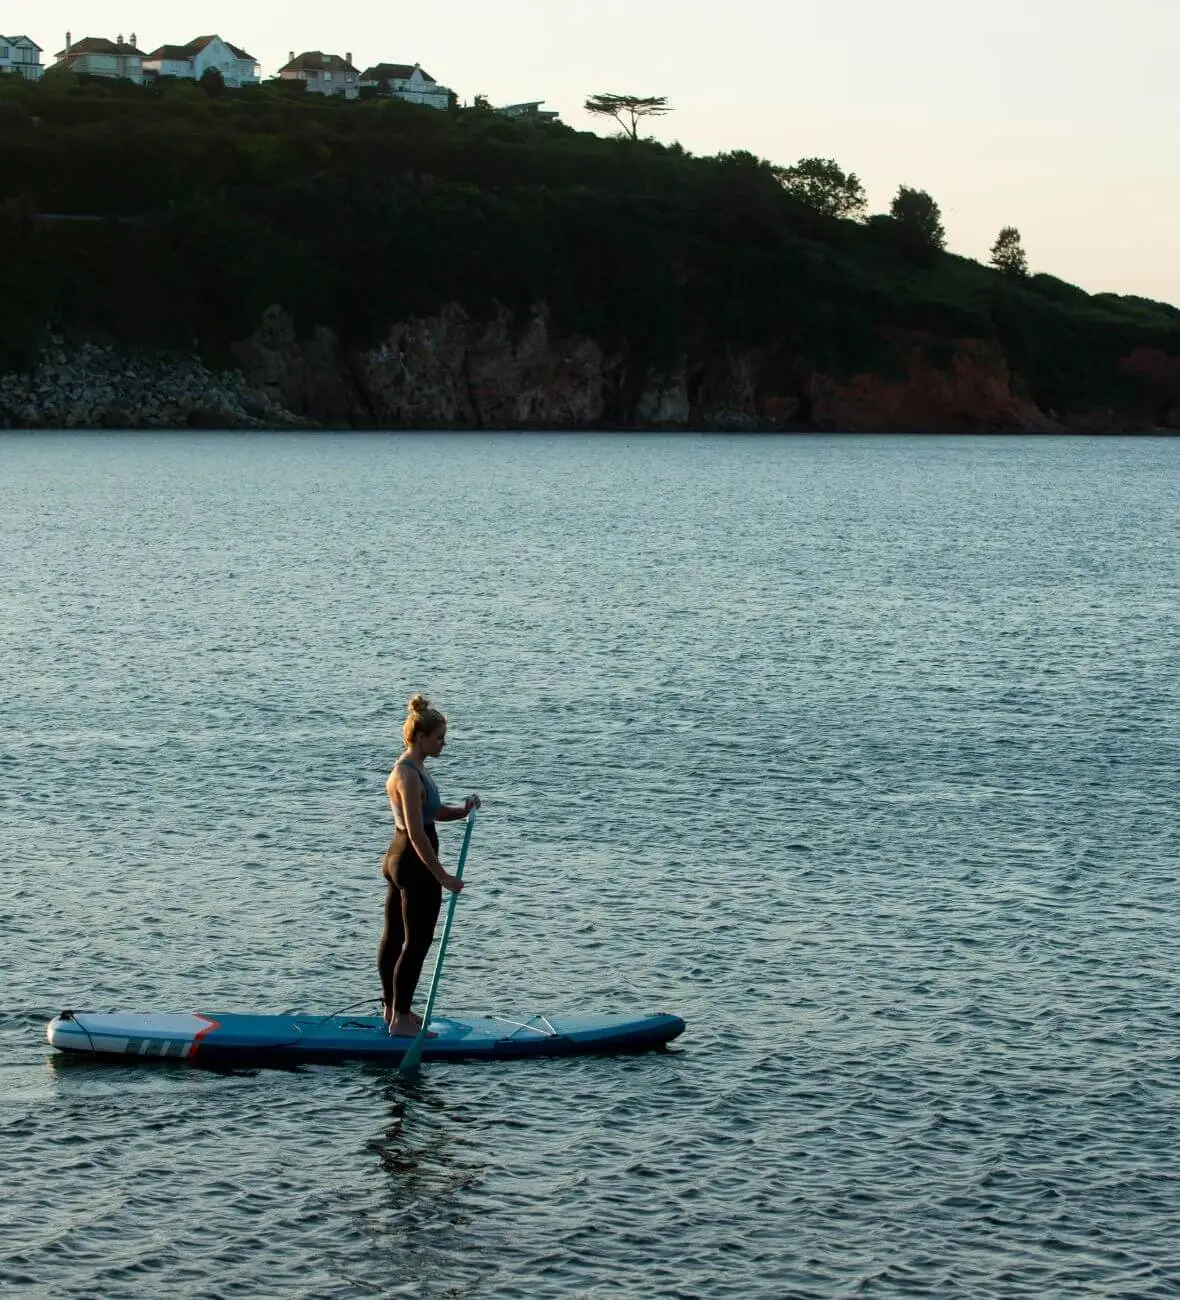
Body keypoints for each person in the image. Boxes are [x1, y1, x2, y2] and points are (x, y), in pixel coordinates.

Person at [378, 695, 480, 1036]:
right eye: (439, 737)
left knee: (396, 938)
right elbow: (417, 830)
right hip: (412, 862)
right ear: (420, 737)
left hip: (400, 858)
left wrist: (462, 811)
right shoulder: (406, 775)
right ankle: (400, 1019)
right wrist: (444, 876)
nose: (444, 743)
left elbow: (431, 813)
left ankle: (395, 1012)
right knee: (414, 942)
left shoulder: (417, 769)